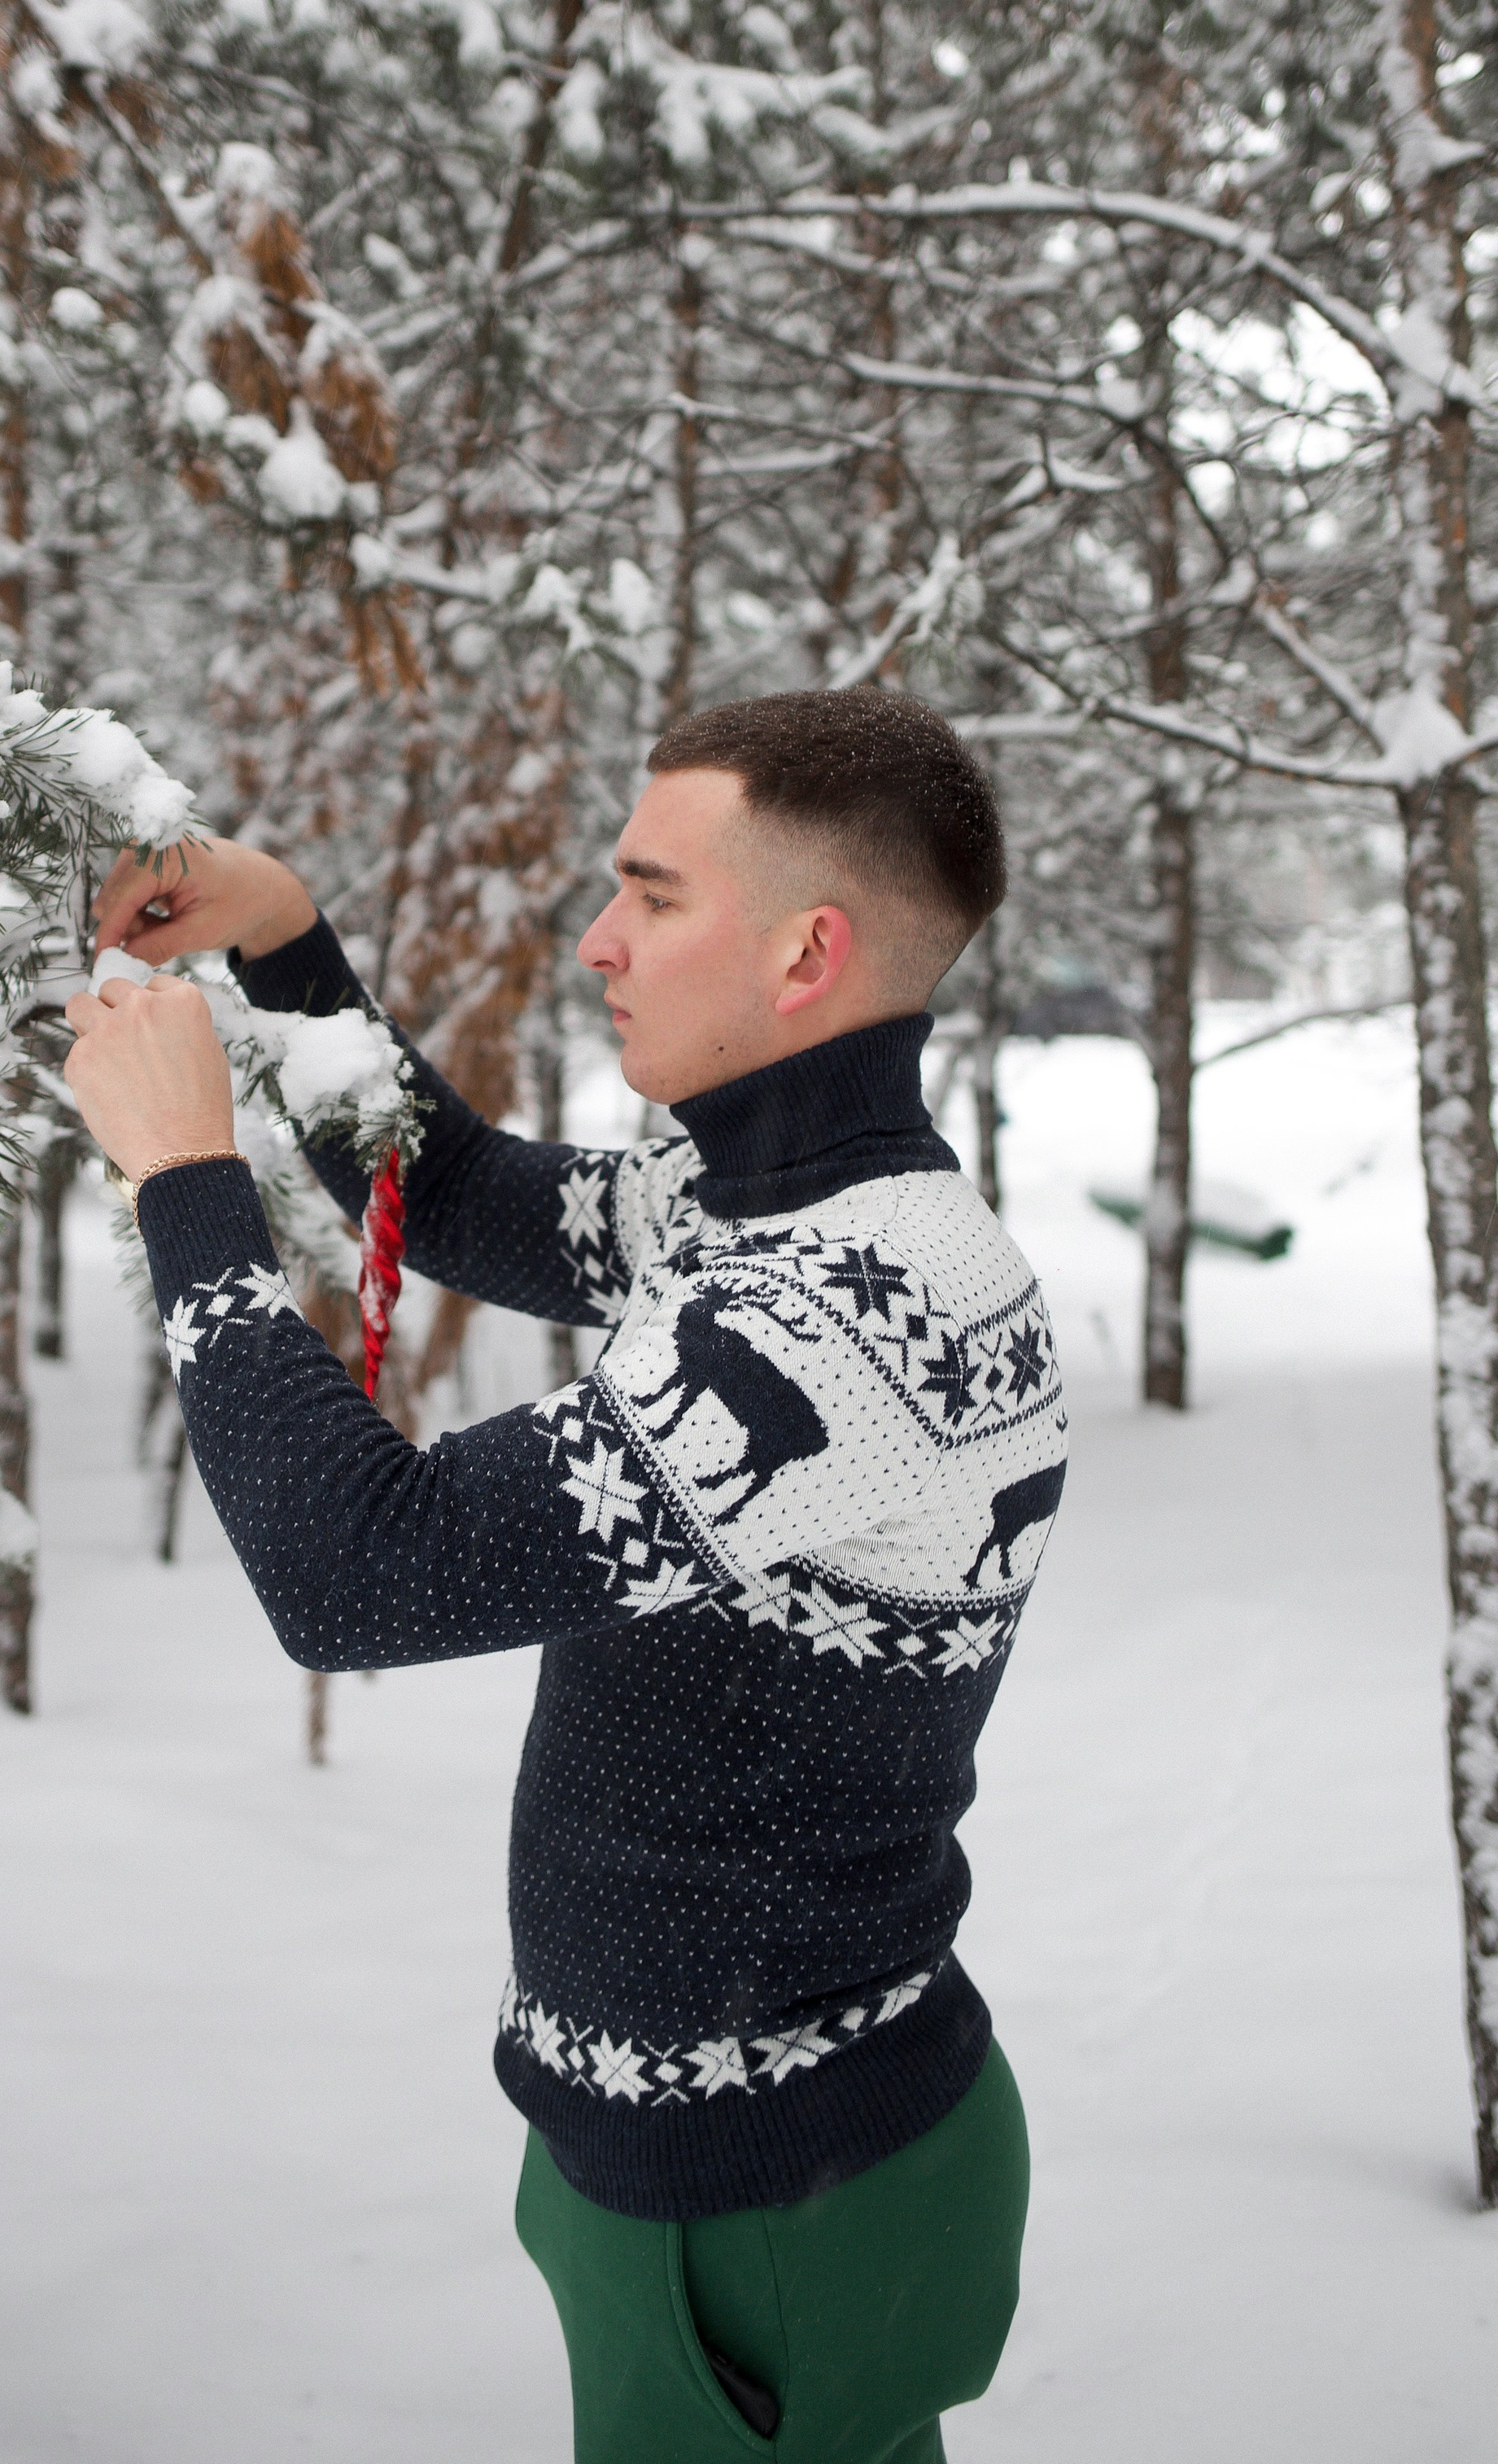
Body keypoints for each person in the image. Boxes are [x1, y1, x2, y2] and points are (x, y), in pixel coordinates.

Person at [64, 688, 1068, 2464]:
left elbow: (363, 1579)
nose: (597, 938)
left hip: (767, 2208)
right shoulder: (759, 1205)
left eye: (653, 894)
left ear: (804, 951)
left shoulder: (862, 1307)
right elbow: (447, 1196)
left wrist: (186, 1185)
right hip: (723, 2165)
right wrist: (286, 939)